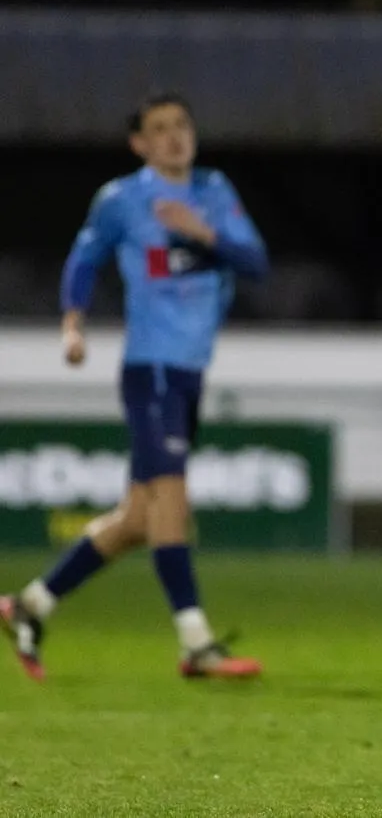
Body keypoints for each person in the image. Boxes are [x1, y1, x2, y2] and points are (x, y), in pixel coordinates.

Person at [0, 92, 268, 682]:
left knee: (138, 520)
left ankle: (29, 606)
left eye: (181, 125)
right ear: (139, 144)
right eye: (160, 129)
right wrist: (73, 324)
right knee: (172, 500)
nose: (174, 136)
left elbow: (255, 262)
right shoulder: (122, 200)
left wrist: (204, 234)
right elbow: (84, 259)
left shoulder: (214, 192)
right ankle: (195, 644)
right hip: (152, 369)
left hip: (190, 373)